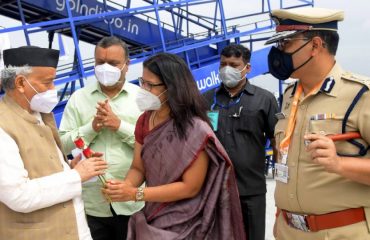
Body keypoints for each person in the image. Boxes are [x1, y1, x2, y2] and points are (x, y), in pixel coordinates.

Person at [102, 52, 246, 240]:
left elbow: (190, 187)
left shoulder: (196, 129)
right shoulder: (144, 121)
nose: (143, 89)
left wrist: (135, 194)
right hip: (154, 213)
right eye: (141, 82)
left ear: (171, 88)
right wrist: (124, 187)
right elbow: (138, 167)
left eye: (150, 85)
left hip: (189, 221)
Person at [266, 7, 370, 240]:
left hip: (340, 232)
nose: (277, 53)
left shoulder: (360, 95)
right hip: (287, 230)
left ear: (315, 45)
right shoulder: (289, 96)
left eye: (285, 44)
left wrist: (340, 164)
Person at [0, 46, 107, 240]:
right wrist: (77, 175)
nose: (53, 90)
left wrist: (68, 168)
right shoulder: (2, 125)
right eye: (48, 82)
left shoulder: (39, 114)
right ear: (21, 83)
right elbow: (18, 195)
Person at [59, 36, 143, 240]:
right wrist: (91, 127)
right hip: (93, 206)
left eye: (113, 63)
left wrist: (119, 126)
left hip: (133, 202)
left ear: (126, 65)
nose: (105, 68)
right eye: (100, 63)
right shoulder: (79, 99)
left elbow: (153, 144)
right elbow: (61, 145)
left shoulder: (140, 98)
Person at [202, 44, 279, 240]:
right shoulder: (206, 100)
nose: (227, 69)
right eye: (223, 64)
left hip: (250, 190)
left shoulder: (264, 99)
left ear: (247, 68)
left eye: (234, 65)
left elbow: (277, 140)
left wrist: (281, 178)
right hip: (215, 189)